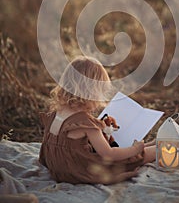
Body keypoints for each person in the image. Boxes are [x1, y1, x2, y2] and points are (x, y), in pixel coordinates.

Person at [39, 55, 156, 185]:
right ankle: (154, 148)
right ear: (92, 92)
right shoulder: (86, 123)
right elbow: (109, 154)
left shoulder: (56, 112)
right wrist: (135, 150)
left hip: (58, 167)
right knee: (143, 154)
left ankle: (148, 144)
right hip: (79, 171)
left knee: (140, 146)